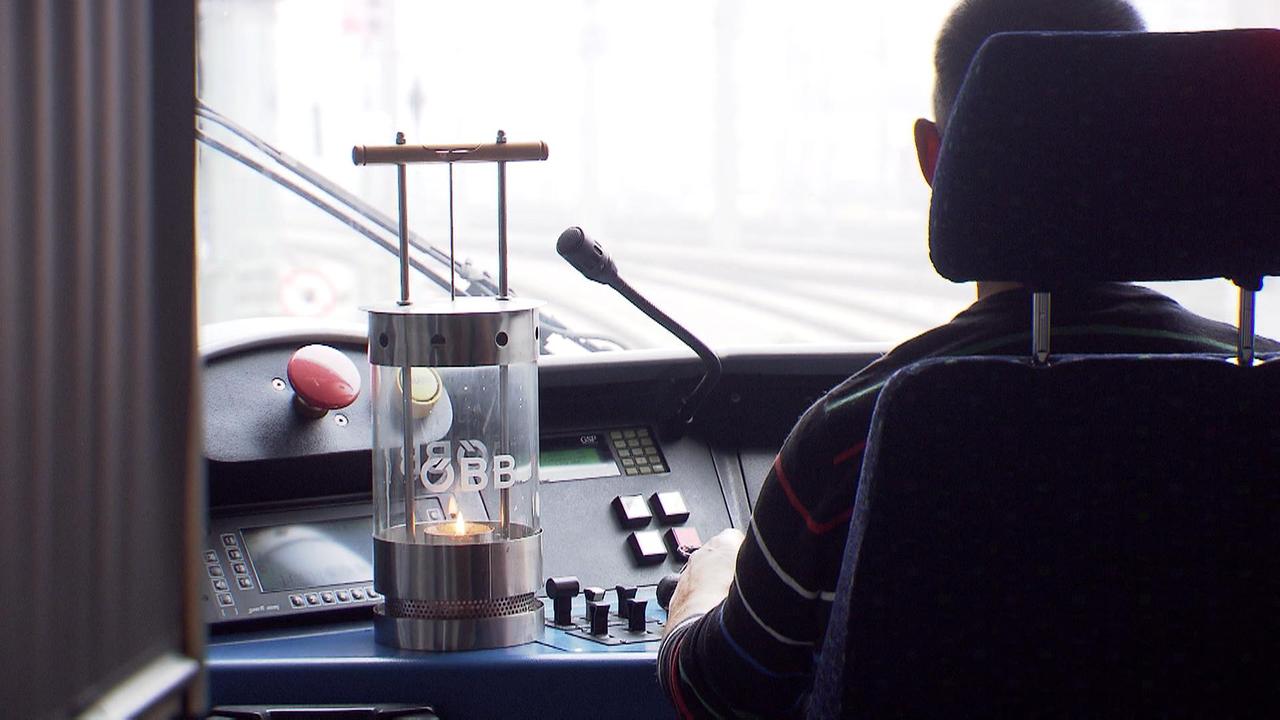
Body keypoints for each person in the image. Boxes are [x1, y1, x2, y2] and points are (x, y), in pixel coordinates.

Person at [657, 1, 1280, 717]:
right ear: (1170, 154)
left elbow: (719, 694)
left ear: (935, 159)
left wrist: (705, 586)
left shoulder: (857, 433)